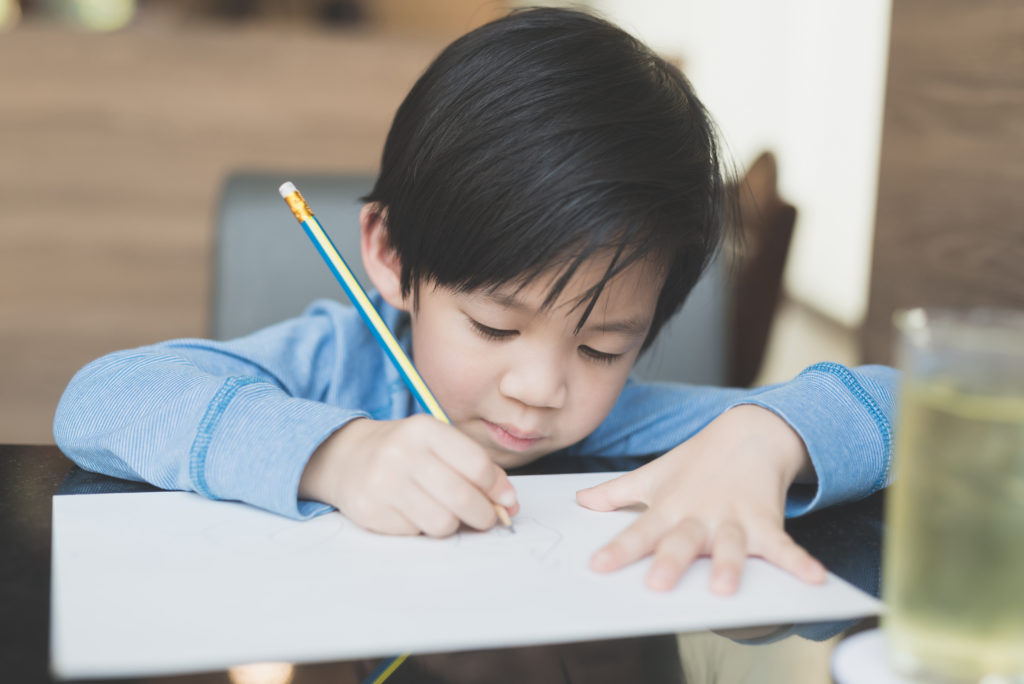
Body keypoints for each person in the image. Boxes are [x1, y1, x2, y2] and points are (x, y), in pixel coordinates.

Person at [53, 7, 896, 596]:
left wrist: (769, 436)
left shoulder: (630, 431)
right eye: (495, 325)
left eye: (603, 347)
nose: (540, 388)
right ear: (389, 255)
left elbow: (917, 413)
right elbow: (100, 401)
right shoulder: (330, 365)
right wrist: (335, 455)